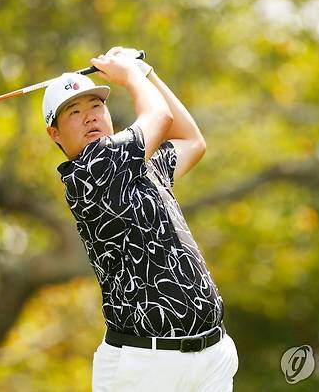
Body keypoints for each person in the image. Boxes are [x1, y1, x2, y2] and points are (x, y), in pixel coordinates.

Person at [43, 47, 238, 391]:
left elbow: (191, 140)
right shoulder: (91, 171)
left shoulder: (138, 164)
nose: (90, 117)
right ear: (55, 133)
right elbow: (159, 117)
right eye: (74, 112)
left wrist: (146, 72)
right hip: (145, 366)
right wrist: (130, 75)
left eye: (96, 106)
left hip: (210, 354)